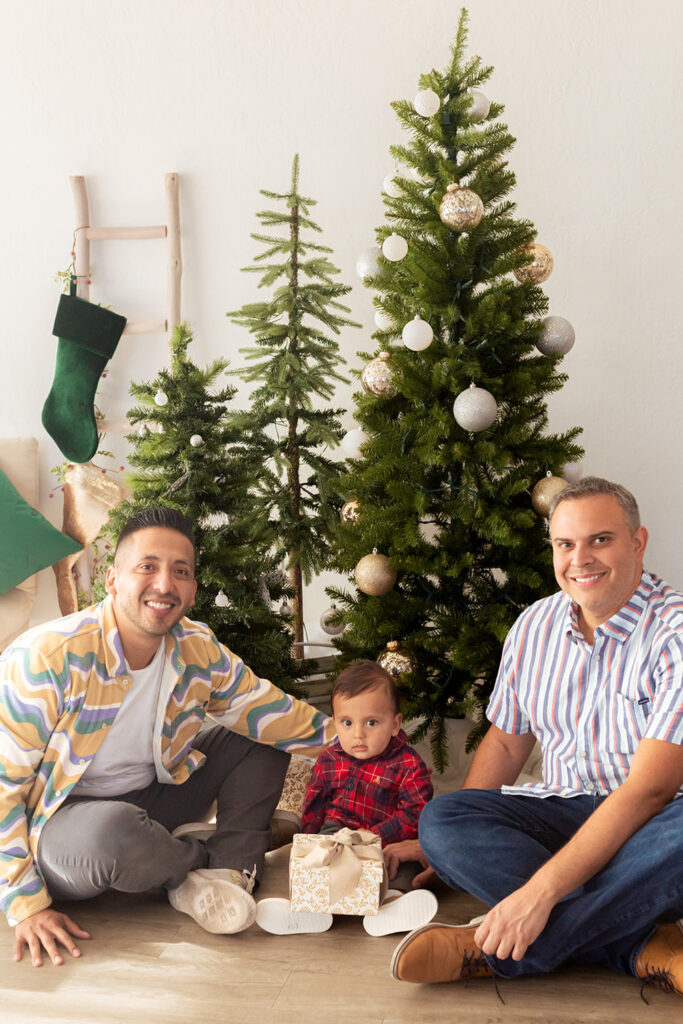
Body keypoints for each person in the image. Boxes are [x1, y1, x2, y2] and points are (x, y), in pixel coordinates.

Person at [0, 506, 336, 968]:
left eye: (180, 572)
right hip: (64, 828)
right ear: (113, 579)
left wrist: (355, 744)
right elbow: (2, 789)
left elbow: (270, 712)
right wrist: (25, 906)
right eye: (147, 567)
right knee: (111, 832)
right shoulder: (46, 659)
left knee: (259, 738)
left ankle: (228, 873)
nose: (164, 584)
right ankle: (199, 857)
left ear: (193, 590)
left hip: (155, 798)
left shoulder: (196, 647)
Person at [389, 477, 683, 1000]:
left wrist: (540, 893)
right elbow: (505, 745)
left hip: (654, 827)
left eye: (601, 540)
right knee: (444, 818)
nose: (581, 559)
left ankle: (503, 951)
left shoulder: (674, 634)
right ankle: (638, 943)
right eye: (565, 544)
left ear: (637, 543)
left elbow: (651, 791)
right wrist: (446, 850)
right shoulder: (535, 625)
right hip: (563, 815)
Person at [255, 660, 437, 936]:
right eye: (347, 723)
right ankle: (309, 910)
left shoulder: (408, 763)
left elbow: (416, 812)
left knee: (402, 871)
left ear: (395, 724)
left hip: (388, 842)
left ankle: (391, 906)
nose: (358, 734)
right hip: (337, 835)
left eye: (372, 722)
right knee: (321, 865)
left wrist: (373, 837)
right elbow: (315, 805)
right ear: (336, 721)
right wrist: (308, 843)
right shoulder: (330, 759)